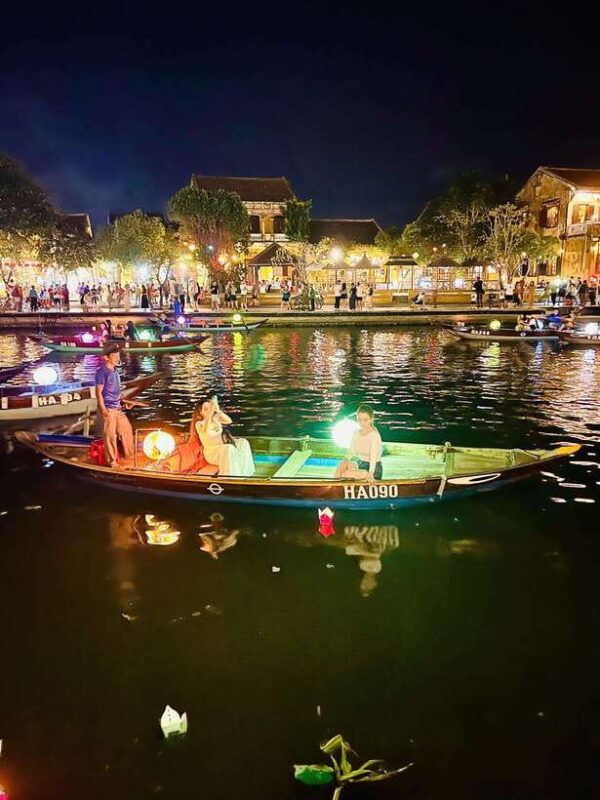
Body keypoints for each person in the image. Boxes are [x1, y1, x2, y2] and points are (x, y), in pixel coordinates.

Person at [95, 343, 134, 469]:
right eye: (114, 356)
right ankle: (112, 462)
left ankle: (130, 456)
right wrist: (103, 410)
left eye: (118, 355)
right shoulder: (102, 372)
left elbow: (116, 391)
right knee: (110, 436)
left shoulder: (115, 370)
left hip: (118, 408)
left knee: (126, 430)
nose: (117, 358)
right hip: (109, 408)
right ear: (106, 357)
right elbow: (98, 393)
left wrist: (124, 401)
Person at [194, 396, 255, 476]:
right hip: (212, 452)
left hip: (222, 447)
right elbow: (205, 431)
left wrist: (218, 410)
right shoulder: (199, 424)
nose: (209, 411)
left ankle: (244, 472)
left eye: (210, 408)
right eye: (205, 409)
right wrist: (209, 415)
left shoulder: (216, 419)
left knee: (243, 442)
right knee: (228, 448)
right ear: (201, 412)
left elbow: (228, 421)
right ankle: (228, 476)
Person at [334, 404, 383, 483]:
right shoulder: (356, 433)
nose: (362, 423)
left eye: (365, 420)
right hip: (360, 464)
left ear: (371, 419)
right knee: (340, 468)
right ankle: (335, 487)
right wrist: (345, 460)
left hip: (373, 469)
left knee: (345, 474)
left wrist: (371, 473)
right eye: (359, 420)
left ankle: (338, 486)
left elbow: (373, 456)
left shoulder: (374, 435)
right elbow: (352, 450)